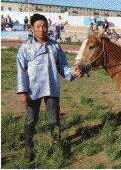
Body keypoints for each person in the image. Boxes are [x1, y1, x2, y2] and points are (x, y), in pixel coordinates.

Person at [16, 14, 79, 163]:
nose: (41, 30)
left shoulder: (54, 46)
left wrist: (72, 72)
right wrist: (22, 92)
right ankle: (29, 149)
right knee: (31, 120)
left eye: (44, 26)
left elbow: (63, 66)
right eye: (38, 27)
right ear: (32, 28)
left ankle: (57, 145)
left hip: (51, 89)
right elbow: (21, 71)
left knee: (54, 120)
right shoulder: (25, 47)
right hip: (32, 90)